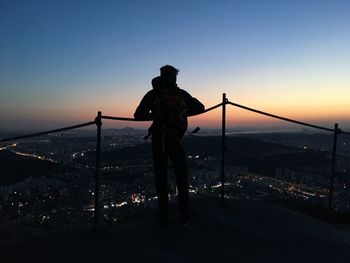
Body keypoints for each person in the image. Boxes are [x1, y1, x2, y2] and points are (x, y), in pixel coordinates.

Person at [134, 65, 204, 227]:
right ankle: (184, 215)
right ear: (175, 78)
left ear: (160, 76)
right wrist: (183, 111)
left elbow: (138, 115)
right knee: (181, 176)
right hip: (177, 140)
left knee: (161, 177)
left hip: (159, 139)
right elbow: (200, 107)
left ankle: (164, 217)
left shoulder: (153, 94)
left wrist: (155, 114)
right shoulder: (181, 94)